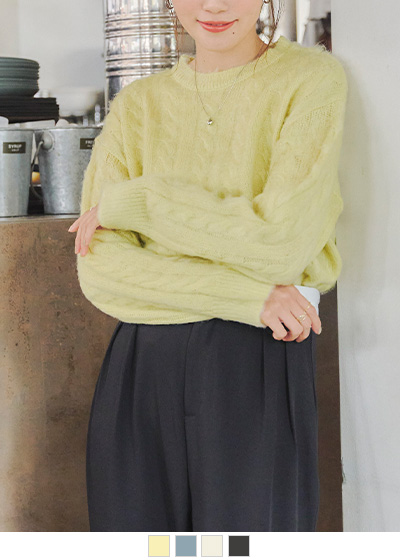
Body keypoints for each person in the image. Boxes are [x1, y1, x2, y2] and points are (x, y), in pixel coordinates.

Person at [68, 0, 348, 532]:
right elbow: (99, 266)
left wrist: (141, 203)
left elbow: (281, 245)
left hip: (256, 358)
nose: (214, 5)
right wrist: (250, 296)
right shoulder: (138, 105)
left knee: (245, 543)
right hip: (145, 358)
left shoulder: (309, 79)